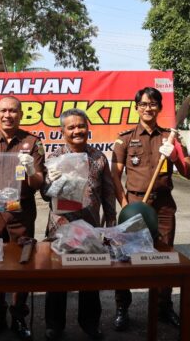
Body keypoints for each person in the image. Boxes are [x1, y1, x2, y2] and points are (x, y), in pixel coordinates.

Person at [111, 87, 190, 330]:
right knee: (126, 257)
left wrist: (175, 156)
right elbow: (115, 176)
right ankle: (122, 307)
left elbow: (189, 172)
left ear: (159, 108)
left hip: (163, 206)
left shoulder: (170, 137)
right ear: (137, 107)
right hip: (135, 203)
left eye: (153, 104)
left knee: (165, 256)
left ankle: (163, 307)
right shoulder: (125, 138)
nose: (148, 108)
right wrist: (126, 206)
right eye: (144, 104)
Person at [0, 96, 45, 340]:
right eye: (3, 111)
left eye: (13, 111)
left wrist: (30, 170)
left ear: (21, 114)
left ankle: (19, 317)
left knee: (22, 266)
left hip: (21, 215)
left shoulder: (32, 143)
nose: (7, 115)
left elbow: (38, 183)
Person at [43, 109, 117, 341]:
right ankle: (54, 325)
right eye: (71, 127)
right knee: (57, 278)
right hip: (60, 227)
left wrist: (111, 222)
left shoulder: (99, 157)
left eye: (81, 126)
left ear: (88, 127)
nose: (77, 131)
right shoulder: (54, 158)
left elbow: (108, 192)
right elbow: (45, 195)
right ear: (62, 131)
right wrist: (49, 181)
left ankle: (90, 324)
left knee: (90, 278)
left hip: (90, 226)